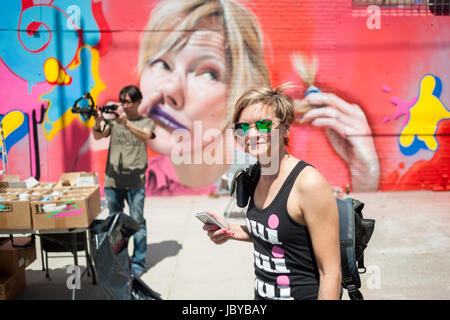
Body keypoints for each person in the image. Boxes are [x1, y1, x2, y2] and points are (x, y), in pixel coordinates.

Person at [136, 0, 379, 194]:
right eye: (161, 63)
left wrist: (365, 180)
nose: (170, 89)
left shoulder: (273, 181)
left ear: (239, 93)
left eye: (208, 73)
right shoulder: (137, 181)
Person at [203, 84, 341, 300]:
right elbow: (273, 233)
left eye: (264, 124)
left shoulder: (308, 184)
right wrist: (229, 230)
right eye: (243, 128)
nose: (253, 134)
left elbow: (330, 273)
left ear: (286, 128)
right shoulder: (255, 174)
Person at [92, 85, 155, 276]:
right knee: (115, 225)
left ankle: (138, 263)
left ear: (138, 102)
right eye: (122, 101)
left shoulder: (146, 122)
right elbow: (97, 135)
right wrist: (98, 120)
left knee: (137, 222)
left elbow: (146, 136)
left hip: (135, 182)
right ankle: (119, 262)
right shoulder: (114, 122)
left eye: (128, 101)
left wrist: (126, 123)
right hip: (113, 182)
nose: (124, 105)